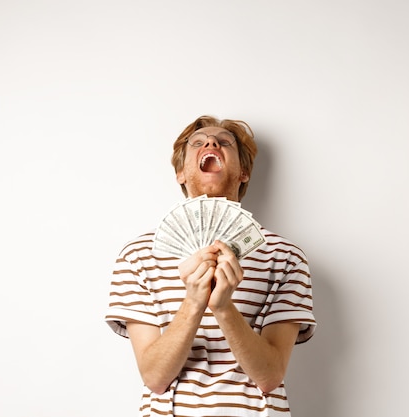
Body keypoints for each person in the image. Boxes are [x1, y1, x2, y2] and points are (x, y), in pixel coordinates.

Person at [105, 115, 316, 416]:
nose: (212, 143)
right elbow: (154, 377)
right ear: (180, 172)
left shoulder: (285, 256)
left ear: (244, 172)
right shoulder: (138, 255)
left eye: (224, 142)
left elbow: (270, 376)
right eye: (199, 143)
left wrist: (223, 307)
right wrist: (193, 302)